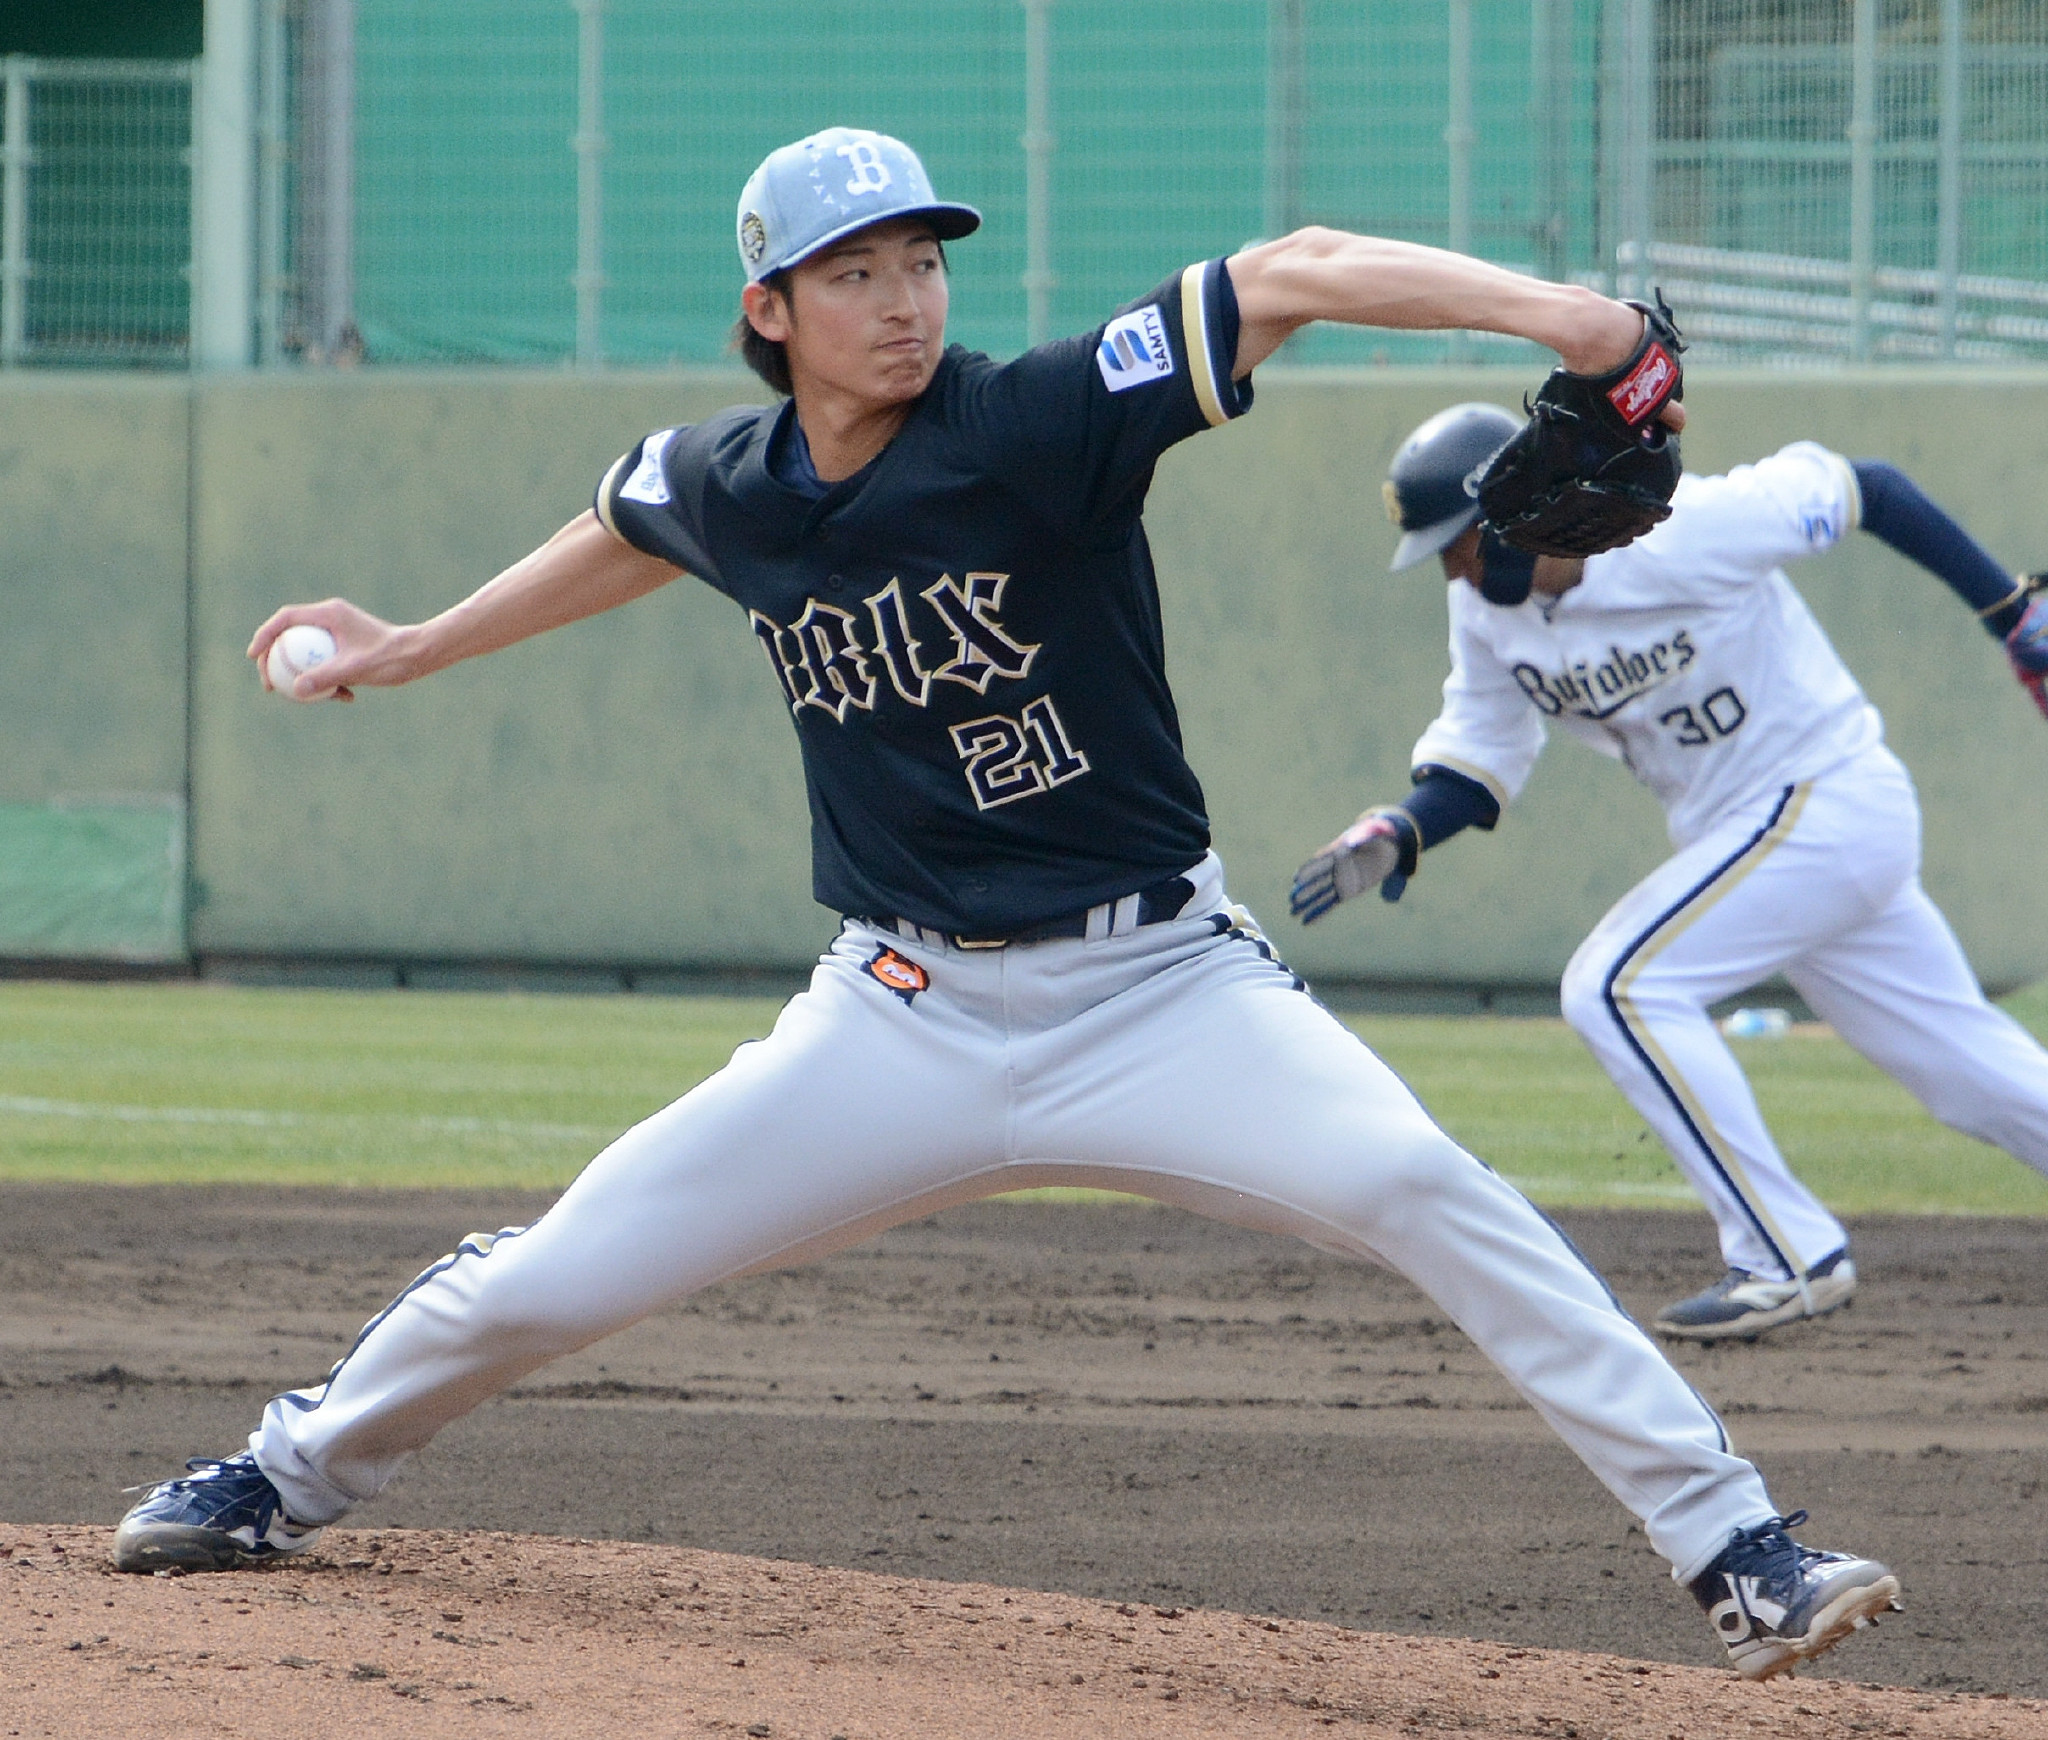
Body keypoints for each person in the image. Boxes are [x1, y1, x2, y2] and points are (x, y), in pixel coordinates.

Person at [114, 129, 1898, 1682]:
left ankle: (1737, 1550)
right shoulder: (735, 483)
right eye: (854, 273)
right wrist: (411, 647)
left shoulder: (1038, 423)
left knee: (1431, 1193)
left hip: (1165, 993)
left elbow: (1290, 270)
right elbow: (630, 520)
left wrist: (1578, 324)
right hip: (896, 1016)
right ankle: (284, 1473)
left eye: (920, 262)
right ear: (770, 310)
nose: (903, 301)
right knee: (560, 1273)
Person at [1292, 400, 2048, 1342]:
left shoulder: (1678, 529)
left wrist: (2010, 611)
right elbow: (1482, 751)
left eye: (1460, 541)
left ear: (1527, 505)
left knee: (1616, 986)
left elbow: (1868, 490)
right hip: (1755, 842)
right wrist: (1402, 829)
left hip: (1826, 800)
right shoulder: (1486, 612)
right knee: (1969, 1073)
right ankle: (1789, 1249)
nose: (1453, 568)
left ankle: (1786, 1254)